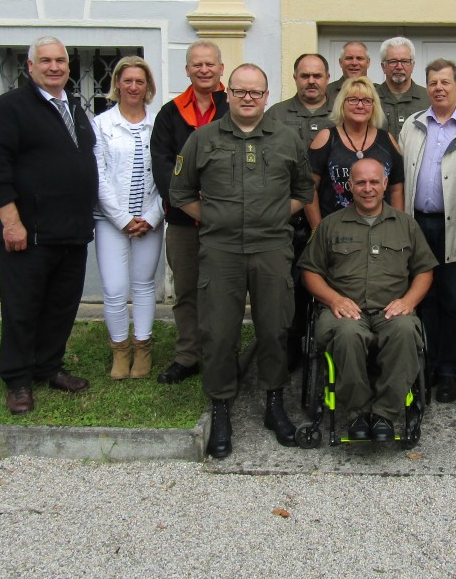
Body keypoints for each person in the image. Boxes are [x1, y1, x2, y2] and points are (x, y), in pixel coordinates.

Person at [170, 64, 314, 459]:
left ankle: (274, 404)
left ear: (266, 96)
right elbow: (181, 192)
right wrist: (216, 219)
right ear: (227, 94)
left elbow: (304, 190)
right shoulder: (203, 138)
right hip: (221, 251)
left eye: (256, 92)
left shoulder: (288, 138)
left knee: (275, 328)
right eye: (240, 91)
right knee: (218, 332)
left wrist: (271, 217)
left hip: (271, 249)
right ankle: (220, 408)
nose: (248, 97)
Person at [0, 36, 97, 415]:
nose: (54, 67)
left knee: (61, 305)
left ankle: (49, 366)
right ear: (30, 67)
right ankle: (17, 380)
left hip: (72, 230)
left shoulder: (74, 108)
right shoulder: (10, 108)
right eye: (45, 60)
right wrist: (11, 222)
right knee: (22, 308)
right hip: (29, 233)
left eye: (60, 60)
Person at [299, 158, 437, 442]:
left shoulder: (406, 225)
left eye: (374, 182)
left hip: (392, 310)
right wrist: (334, 299)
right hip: (345, 311)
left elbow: (424, 271)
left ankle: (385, 414)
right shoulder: (330, 225)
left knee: (404, 331)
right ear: (350, 186)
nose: (368, 188)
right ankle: (358, 413)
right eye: (360, 182)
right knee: (347, 334)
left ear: (385, 184)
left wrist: (410, 301)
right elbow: (310, 273)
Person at [399, 59, 456, 403]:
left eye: (445, 82)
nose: (439, 88)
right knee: (424, 299)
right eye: (433, 82)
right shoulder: (413, 124)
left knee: (453, 300)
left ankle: (449, 370)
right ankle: (426, 365)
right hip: (418, 225)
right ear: (427, 87)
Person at [149, 40, 228, 385]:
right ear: (187, 70)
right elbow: (162, 163)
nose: (204, 70)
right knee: (186, 289)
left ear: (221, 69)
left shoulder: (235, 105)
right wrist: (187, 199)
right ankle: (187, 356)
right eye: (197, 65)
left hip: (225, 218)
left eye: (210, 64)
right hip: (183, 219)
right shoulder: (170, 113)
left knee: (224, 290)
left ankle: (221, 354)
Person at [93, 57, 165, 380]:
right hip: (112, 221)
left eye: (140, 81)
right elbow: (98, 176)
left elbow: (167, 176)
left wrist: (150, 216)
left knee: (144, 284)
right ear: (117, 84)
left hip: (151, 218)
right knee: (114, 287)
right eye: (128, 81)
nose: (133, 87)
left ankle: (143, 349)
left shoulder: (158, 124)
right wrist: (122, 218)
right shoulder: (102, 124)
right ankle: (120, 350)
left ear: (148, 86)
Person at [267, 53, 335, 368]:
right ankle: (291, 349)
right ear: (295, 77)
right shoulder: (276, 116)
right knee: (289, 289)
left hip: (334, 220)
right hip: (289, 220)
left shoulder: (342, 111)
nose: (311, 81)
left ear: (327, 78)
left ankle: (332, 347)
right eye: (305, 75)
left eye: (317, 76)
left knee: (332, 285)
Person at [306, 76, 405, 230]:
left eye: (366, 100)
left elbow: (397, 189)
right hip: (335, 232)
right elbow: (309, 189)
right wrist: (318, 230)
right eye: (353, 99)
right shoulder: (326, 138)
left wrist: (396, 229)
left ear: (374, 106)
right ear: (342, 104)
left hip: (381, 230)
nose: (360, 105)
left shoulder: (387, 140)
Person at [376, 37, 430, 137]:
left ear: (413, 65)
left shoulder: (428, 99)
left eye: (405, 61)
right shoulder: (370, 99)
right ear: (383, 67)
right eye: (393, 61)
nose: (399, 67)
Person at [325, 40, 371, 105]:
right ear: (341, 62)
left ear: (368, 62)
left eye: (359, 58)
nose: (354, 63)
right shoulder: (326, 92)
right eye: (349, 58)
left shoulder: (378, 92)